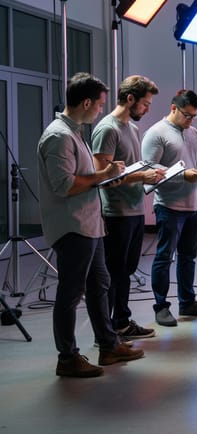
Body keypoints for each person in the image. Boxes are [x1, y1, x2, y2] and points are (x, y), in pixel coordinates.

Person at [37, 72, 145, 378]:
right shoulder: (59, 136)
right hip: (73, 228)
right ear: (86, 102)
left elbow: (83, 178)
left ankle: (108, 345)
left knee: (101, 286)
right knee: (70, 294)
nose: (101, 110)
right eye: (99, 104)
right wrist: (105, 174)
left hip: (90, 225)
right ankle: (67, 357)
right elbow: (65, 186)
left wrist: (107, 174)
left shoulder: (76, 132)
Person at [91, 75, 165, 340]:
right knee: (114, 274)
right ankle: (109, 333)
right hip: (116, 213)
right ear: (130, 99)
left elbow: (131, 167)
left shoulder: (132, 130)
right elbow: (102, 177)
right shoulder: (107, 129)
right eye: (145, 104)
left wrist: (153, 172)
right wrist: (140, 177)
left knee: (126, 272)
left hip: (134, 210)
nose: (147, 109)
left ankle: (121, 322)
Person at [141, 89, 197, 327]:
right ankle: (161, 307)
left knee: (189, 257)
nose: (190, 120)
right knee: (164, 257)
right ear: (173, 108)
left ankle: (187, 302)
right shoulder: (155, 134)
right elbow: (149, 170)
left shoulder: (193, 132)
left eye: (194, 116)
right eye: (187, 115)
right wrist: (183, 176)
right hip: (169, 206)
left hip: (194, 207)